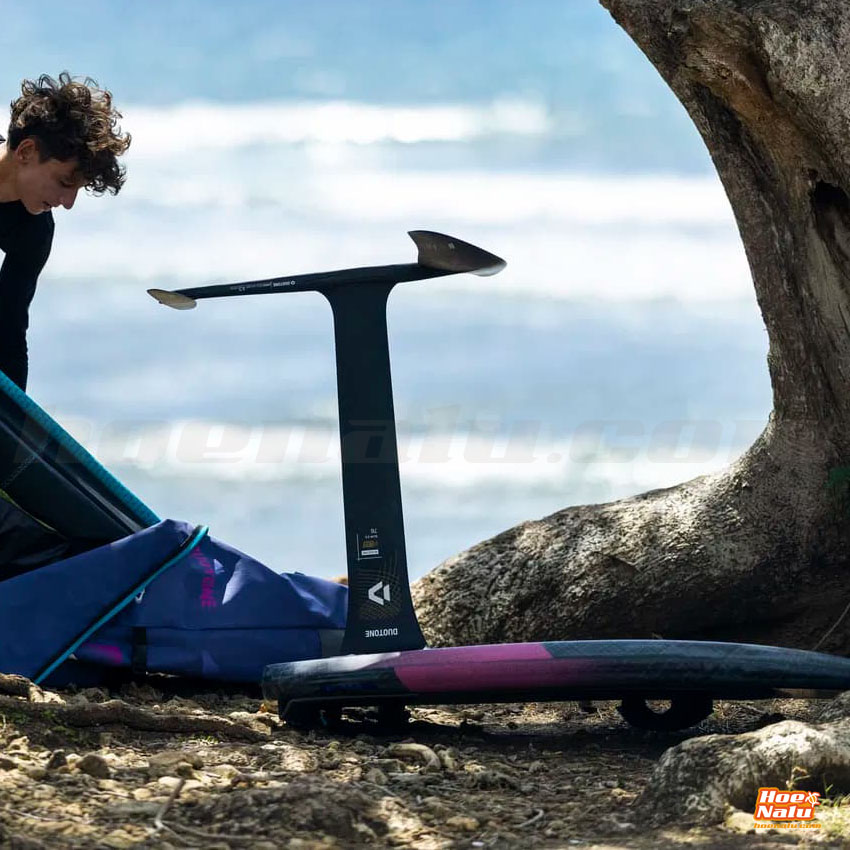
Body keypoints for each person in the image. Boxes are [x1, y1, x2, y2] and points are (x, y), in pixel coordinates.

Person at [0, 73, 130, 391]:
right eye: (64, 183)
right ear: (26, 152)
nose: (68, 203)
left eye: (77, 190)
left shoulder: (34, 232)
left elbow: (8, 336)